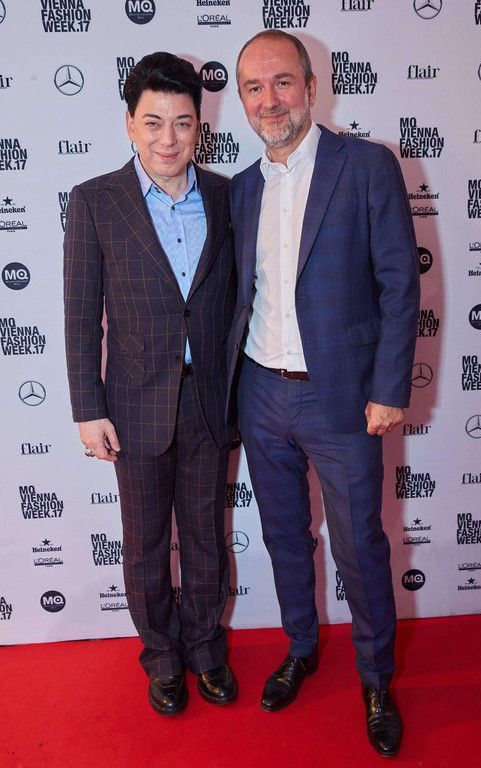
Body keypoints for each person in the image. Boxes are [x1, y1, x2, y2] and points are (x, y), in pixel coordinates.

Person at [226, 31, 419, 756]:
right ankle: (300, 648)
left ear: (310, 87)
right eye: (253, 88)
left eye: (281, 82)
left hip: (342, 399)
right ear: (241, 101)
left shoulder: (366, 166)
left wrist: (389, 387)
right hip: (260, 393)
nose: (268, 100)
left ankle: (375, 679)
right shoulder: (242, 189)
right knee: (283, 535)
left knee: (359, 544)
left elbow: (399, 284)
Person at [64, 52, 237, 716]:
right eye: (154, 122)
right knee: (143, 546)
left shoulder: (226, 196)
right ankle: (161, 658)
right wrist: (88, 408)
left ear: (199, 127)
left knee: (206, 538)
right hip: (134, 404)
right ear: (129, 124)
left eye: (182, 123)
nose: (168, 139)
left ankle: (206, 650)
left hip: (209, 401)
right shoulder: (94, 201)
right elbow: (81, 314)